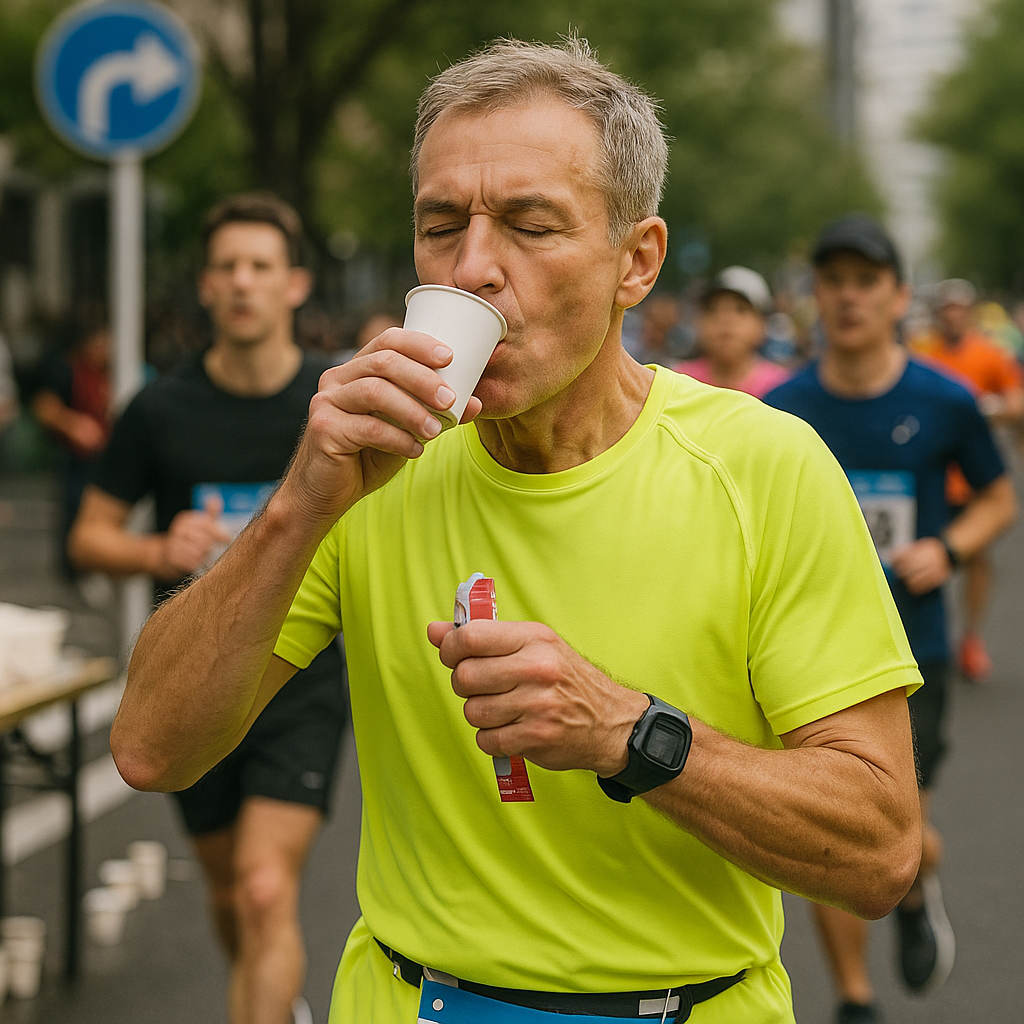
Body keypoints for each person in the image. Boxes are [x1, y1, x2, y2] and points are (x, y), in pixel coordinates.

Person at [111, 40, 923, 1024]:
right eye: (440, 225)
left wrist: (630, 733)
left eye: (531, 225)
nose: (473, 268)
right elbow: (152, 748)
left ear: (638, 261)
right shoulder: (366, 472)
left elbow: (880, 853)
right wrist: (298, 505)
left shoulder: (766, 469)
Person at [68, 193, 348, 1024]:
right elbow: (89, 538)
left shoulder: (333, 400)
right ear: (204, 287)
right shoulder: (159, 410)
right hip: (197, 675)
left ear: (295, 284)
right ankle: (270, 1000)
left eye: (260, 266)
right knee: (232, 894)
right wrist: (160, 553)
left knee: (266, 890)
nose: (242, 283)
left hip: (301, 677)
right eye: (226, 267)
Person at [765, 215, 1016, 1024]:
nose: (847, 297)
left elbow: (998, 495)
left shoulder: (942, 401)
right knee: (825, 832)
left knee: (900, 830)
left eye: (865, 281)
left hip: (914, 649)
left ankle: (915, 882)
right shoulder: (781, 410)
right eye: (832, 280)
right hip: (799, 656)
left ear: (898, 295)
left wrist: (950, 549)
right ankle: (854, 1000)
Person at [910, 277, 1024, 682]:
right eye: (947, 308)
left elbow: (1016, 401)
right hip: (926, 480)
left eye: (960, 308)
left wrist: (981, 411)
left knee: (974, 558)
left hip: (971, 480)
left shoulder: (990, 354)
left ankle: (971, 638)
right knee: (914, 560)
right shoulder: (921, 351)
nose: (953, 315)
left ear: (970, 312)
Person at [674, 266, 790, 398]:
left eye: (740, 310)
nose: (725, 319)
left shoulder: (780, 387)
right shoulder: (680, 383)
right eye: (713, 309)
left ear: (762, 323)